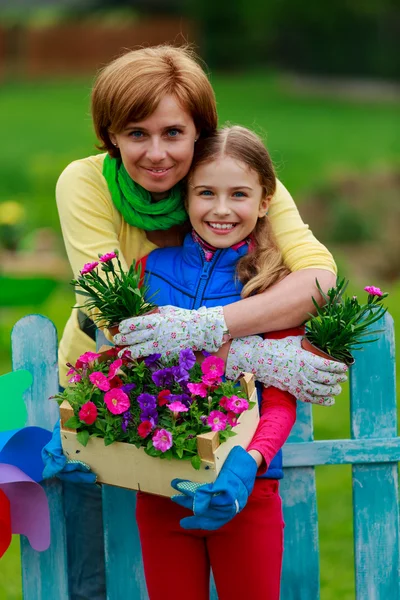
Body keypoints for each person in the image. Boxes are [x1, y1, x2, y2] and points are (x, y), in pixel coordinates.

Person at [48, 45, 347, 599]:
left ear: (200, 132)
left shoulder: (236, 178)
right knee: (93, 578)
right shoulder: (85, 183)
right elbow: (117, 314)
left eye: (173, 133)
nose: (157, 153)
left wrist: (210, 331)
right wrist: (256, 353)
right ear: (110, 135)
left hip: (229, 421)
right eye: (136, 133)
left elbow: (319, 279)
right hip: (116, 401)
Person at [113, 124, 311, 599]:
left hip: (247, 491)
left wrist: (251, 462)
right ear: (186, 196)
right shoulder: (148, 271)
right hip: (161, 484)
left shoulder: (276, 288)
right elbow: (121, 366)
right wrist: (86, 422)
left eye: (239, 194)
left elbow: (282, 399)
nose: (221, 210)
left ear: (265, 202)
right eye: (205, 192)